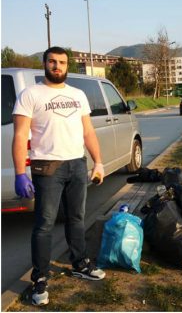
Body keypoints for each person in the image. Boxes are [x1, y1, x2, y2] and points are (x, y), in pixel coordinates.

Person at [12, 46, 106, 306]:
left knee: (76, 218)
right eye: (52, 62)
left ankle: (80, 263)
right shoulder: (30, 94)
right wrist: (20, 172)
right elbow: (20, 135)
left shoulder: (78, 95)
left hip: (77, 164)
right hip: (48, 168)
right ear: (45, 64)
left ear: (68, 66)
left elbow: (87, 131)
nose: (57, 66)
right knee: (44, 225)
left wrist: (98, 162)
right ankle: (40, 279)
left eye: (62, 62)